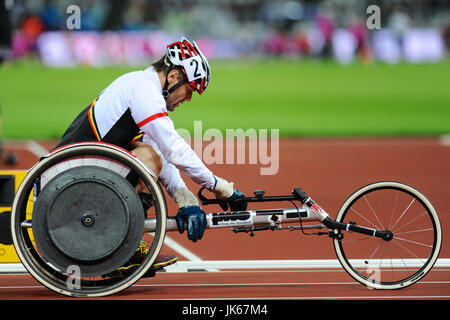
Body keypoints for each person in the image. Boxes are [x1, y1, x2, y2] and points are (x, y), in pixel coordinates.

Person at [54, 37, 247, 276]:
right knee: (146, 158)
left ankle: (122, 249)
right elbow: (174, 150)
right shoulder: (144, 92)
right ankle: (122, 250)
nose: (188, 99)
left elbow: (163, 154)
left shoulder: (140, 85)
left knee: (149, 154)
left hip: (75, 176)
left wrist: (185, 198)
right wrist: (218, 186)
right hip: (66, 185)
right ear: (174, 77)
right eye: (190, 90)